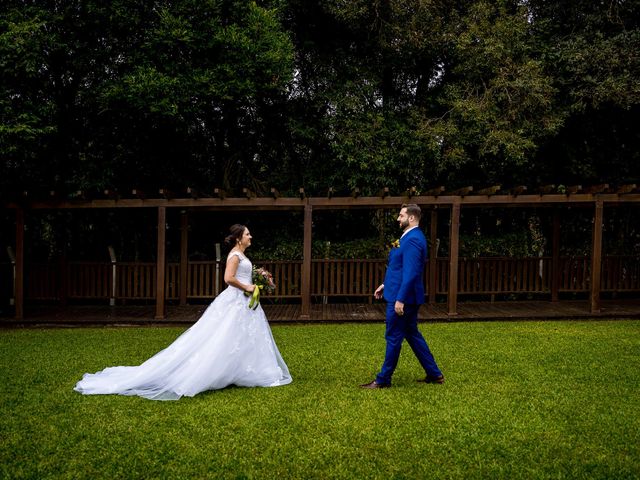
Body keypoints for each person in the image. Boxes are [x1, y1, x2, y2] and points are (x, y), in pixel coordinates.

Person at [74, 224, 292, 400]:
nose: (250, 236)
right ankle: (214, 371)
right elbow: (228, 279)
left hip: (244, 303)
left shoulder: (240, 255)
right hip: (236, 301)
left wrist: (259, 280)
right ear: (238, 238)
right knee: (222, 337)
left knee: (243, 337)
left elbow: (241, 275)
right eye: (247, 234)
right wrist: (247, 287)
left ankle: (246, 370)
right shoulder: (234, 255)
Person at [361, 204, 444, 389]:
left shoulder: (414, 239)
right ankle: (434, 373)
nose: (398, 219)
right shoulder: (408, 237)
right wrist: (385, 284)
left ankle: (383, 379)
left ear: (411, 218)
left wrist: (400, 299)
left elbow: (412, 272)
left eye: (401, 215)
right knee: (412, 334)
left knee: (393, 336)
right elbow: (398, 267)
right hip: (399, 291)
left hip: (403, 298)